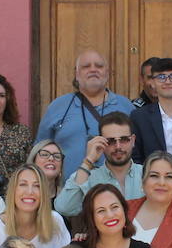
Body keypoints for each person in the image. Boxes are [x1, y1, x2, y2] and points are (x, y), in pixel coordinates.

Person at [36, 49, 135, 179]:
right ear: (77, 74)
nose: (93, 70)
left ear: (107, 73)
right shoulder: (58, 107)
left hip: (117, 188)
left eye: (99, 66)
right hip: (68, 189)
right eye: (86, 66)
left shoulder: (126, 106)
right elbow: (39, 151)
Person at [54, 112, 144, 216]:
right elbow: (64, 208)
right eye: (110, 141)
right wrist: (88, 161)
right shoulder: (89, 178)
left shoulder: (147, 174)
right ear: (101, 142)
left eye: (124, 139)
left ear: (133, 140)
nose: (118, 146)